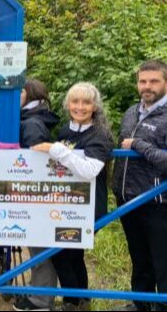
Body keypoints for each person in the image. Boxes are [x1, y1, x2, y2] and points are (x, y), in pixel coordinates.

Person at [32, 82, 114, 311]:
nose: (80, 107)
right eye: (75, 101)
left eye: (86, 102)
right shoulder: (66, 130)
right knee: (72, 254)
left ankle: (72, 301)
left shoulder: (100, 134)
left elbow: (89, 170)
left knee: (63, 254)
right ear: (68, 104)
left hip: (88, 206)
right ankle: (80, 300)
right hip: (66, 203)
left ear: (95, 106)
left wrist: (56, 149)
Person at [112, 60, 167, 312]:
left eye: (154, 81)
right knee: (140, 258)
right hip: (127, 199)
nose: (147, 86)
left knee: (163, 260)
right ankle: (141, 304)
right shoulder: (132, 111)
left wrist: (137, 145)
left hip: (158, 202)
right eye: (143, 81)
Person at [13, 79, 60, 312]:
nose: (16, 94)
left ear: (32, 95)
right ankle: (38, 293)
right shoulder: (34, 118)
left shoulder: (32, 124)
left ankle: (41, 300)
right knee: (37, 246)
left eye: (20, 91)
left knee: (39, 247)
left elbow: (33, 162)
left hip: (34, 194)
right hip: (35, 193)